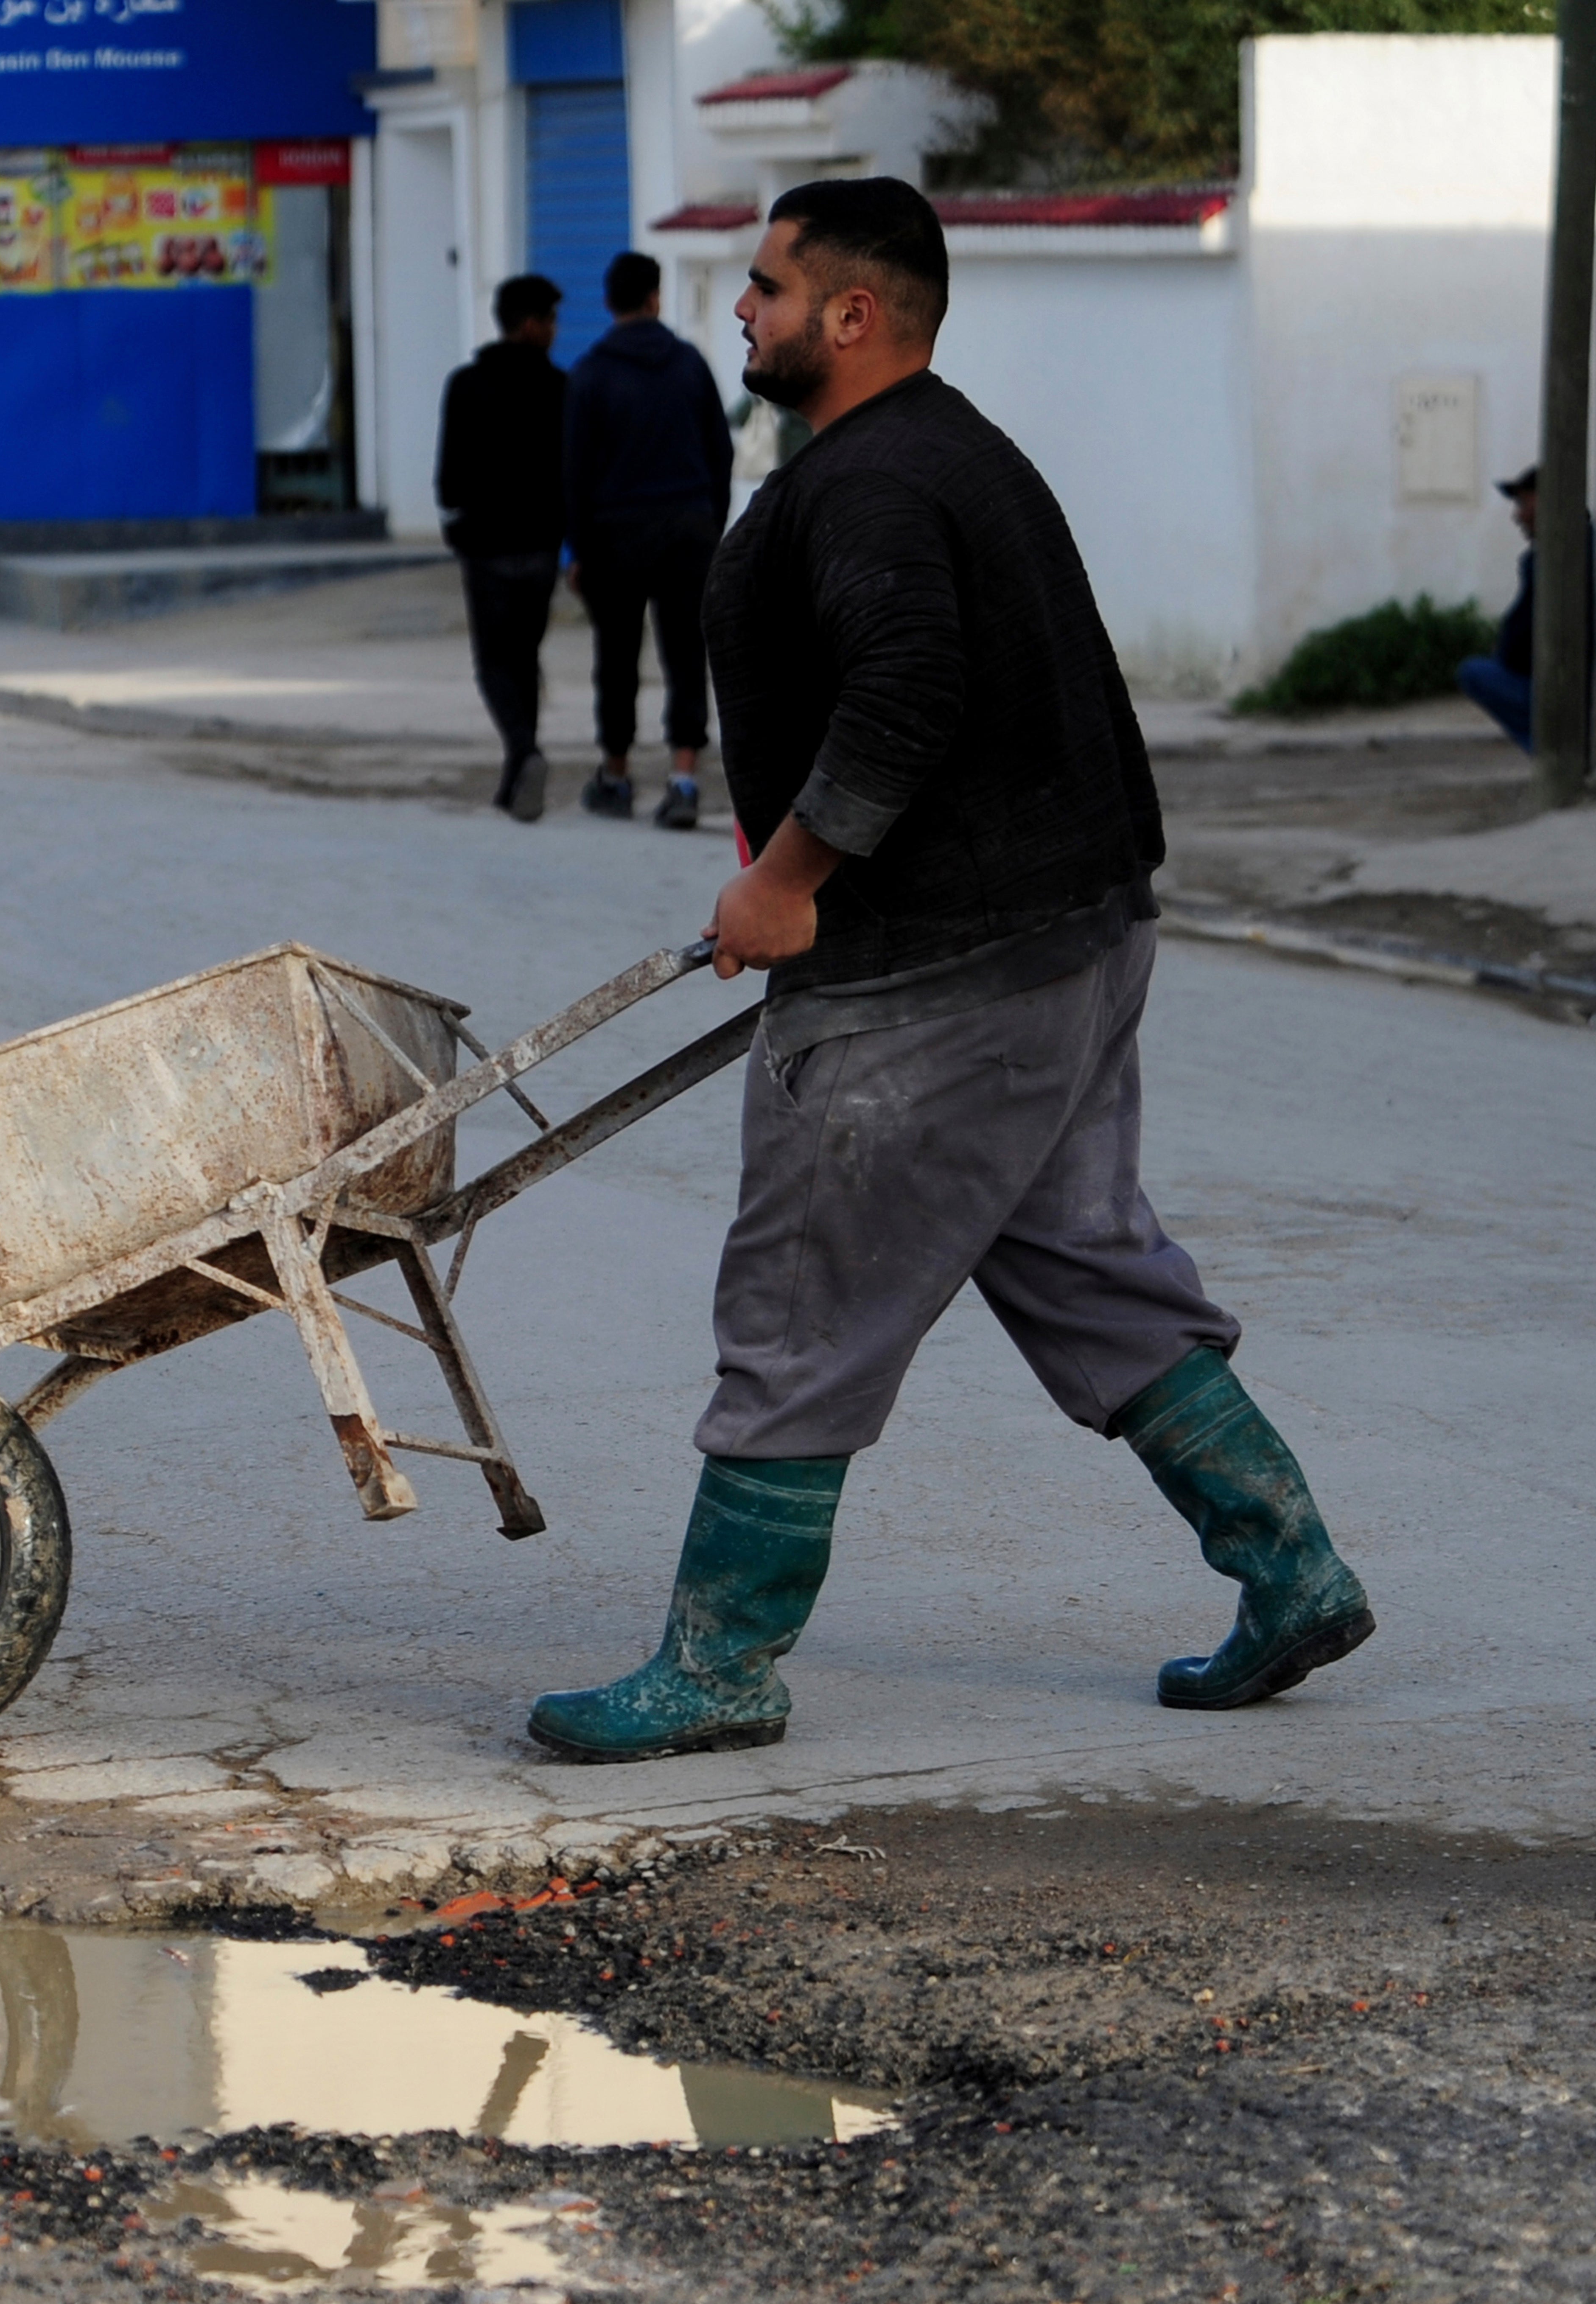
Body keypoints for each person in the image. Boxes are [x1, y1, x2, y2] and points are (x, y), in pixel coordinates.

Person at [529, 179, 1374, 1763]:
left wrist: (786, 881)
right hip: (1067, 936)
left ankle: (720, 1663)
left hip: (936, 973)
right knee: (1080, 1263)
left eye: (769, 288)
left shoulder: (876, 483)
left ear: (852, 314)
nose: (743, 308)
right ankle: (1291, 1570)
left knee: (799, 1301)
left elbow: (908, 687)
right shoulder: (940, 448)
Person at [561, 250, 731, 830]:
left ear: (610, 303)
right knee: (686, 655)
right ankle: (683, 779)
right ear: (656, 298)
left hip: (616, 537)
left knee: (616, 658)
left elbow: (575, 474)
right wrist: (713, 525)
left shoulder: (590, 374)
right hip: (689, 530)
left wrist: (578, 551)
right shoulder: (690, 366)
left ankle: (616, 775)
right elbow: (720, 454)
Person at [435, 275, 571, 820]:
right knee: (524, 657)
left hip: (486, 546)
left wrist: (456, 525)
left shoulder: (467, 384)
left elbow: (449, 469)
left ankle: (522, 754)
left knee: (495, 663)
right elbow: (572, 469)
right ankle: (518, 774)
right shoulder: (561, 388)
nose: (556, 331)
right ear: (529, 323)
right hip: (540, 546)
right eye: (551, 320)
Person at [1456, 466, 1556, 751]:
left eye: (1525, 504)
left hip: (1558, 690)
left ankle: (1551, 755)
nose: (1518, 516)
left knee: (1475, 673)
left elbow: (1523, 638)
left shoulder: (1546, 562)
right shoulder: (1580, 548)